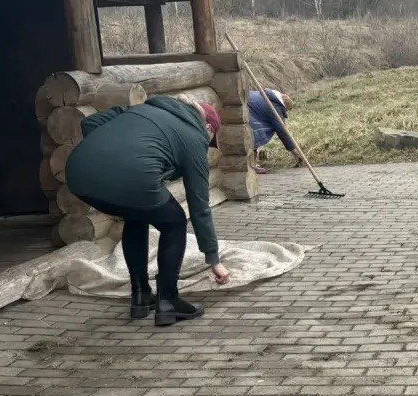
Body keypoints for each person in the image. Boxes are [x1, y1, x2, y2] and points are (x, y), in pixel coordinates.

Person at [65, 95, 230, 326]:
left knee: (136, 214)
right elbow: (199, 204)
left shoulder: (142, 109)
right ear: (208, 127)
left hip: (77, 175)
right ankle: (168, 301)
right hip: (135, 179)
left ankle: (141, 295)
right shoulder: (194, 137)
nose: (208, 144)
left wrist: (113, 158)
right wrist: (214, 260)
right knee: (174, 222)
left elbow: (89, 123)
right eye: (211, 139)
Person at [248, 87, 303, 174]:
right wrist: (294, 151)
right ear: (284, 106)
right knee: (254, 136)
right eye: (285, 111)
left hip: (246, 105)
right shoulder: (274, 106)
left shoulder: (268, 96)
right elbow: (282, 131)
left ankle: (252, 164)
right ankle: (251, 166)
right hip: (249, 113)